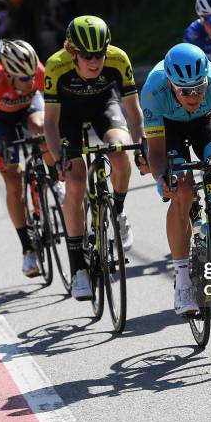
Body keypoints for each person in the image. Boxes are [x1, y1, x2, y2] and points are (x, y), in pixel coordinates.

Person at [141, 43, 211, 315]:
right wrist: (162, 179)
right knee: (181, 189)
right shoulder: (154, 92)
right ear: (171, 84)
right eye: (186, 91)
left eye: (199, 88)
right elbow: (155, 152)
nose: (193, 96)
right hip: (170, 127)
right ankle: (182, 280)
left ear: (206, 80)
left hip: (207, 120)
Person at [43, 16, 145, 300]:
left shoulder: (118, 59)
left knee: (121, 151)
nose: (95, 61)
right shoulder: (56, 65)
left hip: (104, 107)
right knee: (75, 182)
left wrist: (139, 148)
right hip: (68, 118)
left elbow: (133, 111)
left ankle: (119, 211)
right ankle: (78, 268)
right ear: (71, 51)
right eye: (88, 55)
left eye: (100, 54)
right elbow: (49, 123)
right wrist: (57, 158)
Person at [0, 40, 62, 278]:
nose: (29, 81)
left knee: (40, 126)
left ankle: (55, 181)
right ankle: (27, 248)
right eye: (23, 78)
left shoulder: (38, 72)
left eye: (31, 75)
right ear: (8, 73)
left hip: (30, 109)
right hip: (3, 123)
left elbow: (56, 112)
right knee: (14, 182)